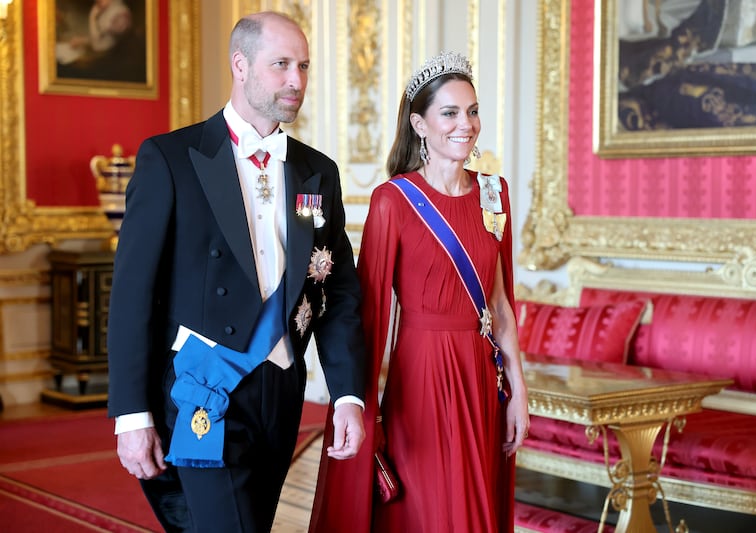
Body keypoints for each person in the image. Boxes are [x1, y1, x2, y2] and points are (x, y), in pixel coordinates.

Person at [106, 11, 366, 532]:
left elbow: (335, 292)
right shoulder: (172, 159)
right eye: (281, 65)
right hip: (204, 387)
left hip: (281, 392)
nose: (296, 81)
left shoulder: (318, 172)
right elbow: (132, 295)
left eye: (304, 66)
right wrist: (131, 415)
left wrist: (347, 394)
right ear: (240, 65)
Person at [310, 51, 530, 533]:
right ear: (419, 124)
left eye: (472, 111)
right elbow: (369, 313)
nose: (466, 124)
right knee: (432, 510)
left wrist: (519, 392)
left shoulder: (494, 193)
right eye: (449, 113)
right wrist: (359, 404)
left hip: (480, 374)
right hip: (422, 378)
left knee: (475, 507)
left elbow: (499, 305)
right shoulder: (393, 201)